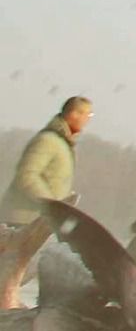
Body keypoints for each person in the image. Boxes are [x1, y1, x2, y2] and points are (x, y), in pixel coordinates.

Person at [1, 97, 90, 306]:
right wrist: (52, 205)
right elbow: (27, 175)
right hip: (24, 220)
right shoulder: (49, 141)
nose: (87, 120)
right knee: (13, 275)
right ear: (73, 114)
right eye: (87, 114)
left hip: (41, 222)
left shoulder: (62, 144)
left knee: (21, 277)